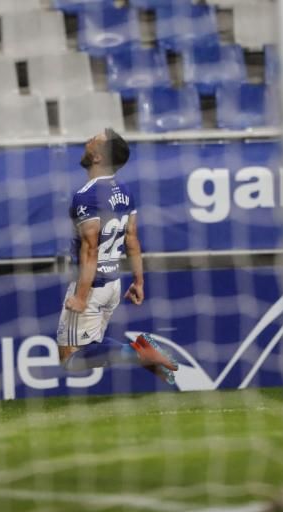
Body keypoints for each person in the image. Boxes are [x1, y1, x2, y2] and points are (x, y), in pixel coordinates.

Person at [57, 128, 178, 384]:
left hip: (90, 286)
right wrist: (139, 281)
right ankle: (141, 353)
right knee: (90, 348)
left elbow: (90, 249)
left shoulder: (87, 195)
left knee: (70, 360)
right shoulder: (124, 191)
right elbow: (132, 238)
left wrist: (80, 297)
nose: (88, 140)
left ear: (99, 156)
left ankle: (139, 352)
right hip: (113, 282)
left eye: (94, 140)